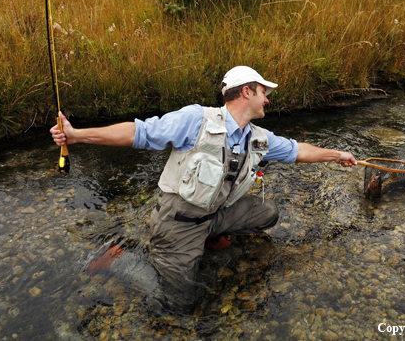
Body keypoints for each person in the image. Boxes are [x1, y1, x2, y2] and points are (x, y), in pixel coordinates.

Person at [50, 66, 357, 312]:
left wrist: (338, 155)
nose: (268, 99)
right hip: (178, 223)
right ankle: (122, 260)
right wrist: (78, 136)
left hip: (213, 216)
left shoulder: (260, 137)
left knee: (267, 213)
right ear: (246, 91)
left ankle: (210, 237)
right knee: (179, 302)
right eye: (264, 92)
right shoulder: (196, 119)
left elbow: (298, 151)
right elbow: (139, 132)